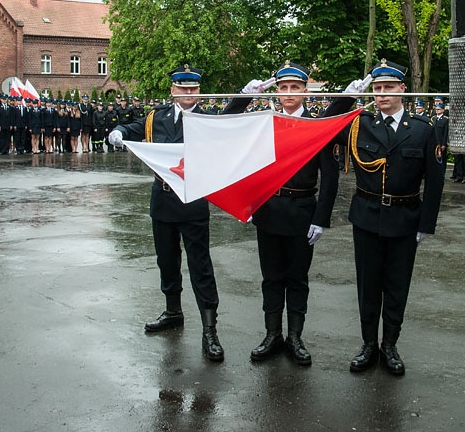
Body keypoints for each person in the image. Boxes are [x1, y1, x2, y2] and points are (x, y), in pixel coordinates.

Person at [107, 65, 245, 363]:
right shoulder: (157, 117)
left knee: (201, 266)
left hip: (193, 201)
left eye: (193, 89)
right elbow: (134, 129)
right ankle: (173, 311)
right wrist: (118, 131)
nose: (188, 94)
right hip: (163, 200)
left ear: (199, 90)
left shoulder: (206, 118)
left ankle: (210, 330)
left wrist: (245, 95)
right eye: (183, 89)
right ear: (173, 90)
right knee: (166, 261)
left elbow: (230, 119)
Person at [334, 59, 443, 376]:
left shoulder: (423, 130)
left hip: (404, 219)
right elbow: (324, 125)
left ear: (402, 90)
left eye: (388, 88)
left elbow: (435, 182)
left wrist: (426, 224)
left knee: (397, 285)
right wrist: (346, 97)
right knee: (368, 285)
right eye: (377, 88)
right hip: (367, 217)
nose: (382, 94)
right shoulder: (360, 124)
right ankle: (368, 344)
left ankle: (390, 344)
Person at [231, 62, 340, 365]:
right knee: (271, 277)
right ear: (276, 92)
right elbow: (245, 163)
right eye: (283, 88)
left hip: (302, 210)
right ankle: (271, 334)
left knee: (297, 278)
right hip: (269, 209)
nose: (289, 93)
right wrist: (249, 203)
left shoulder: (317, 126)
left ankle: (295, 336)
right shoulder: (265, 123)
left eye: (295, 87)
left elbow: (330, 177)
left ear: (305, 91)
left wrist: (321, 217)